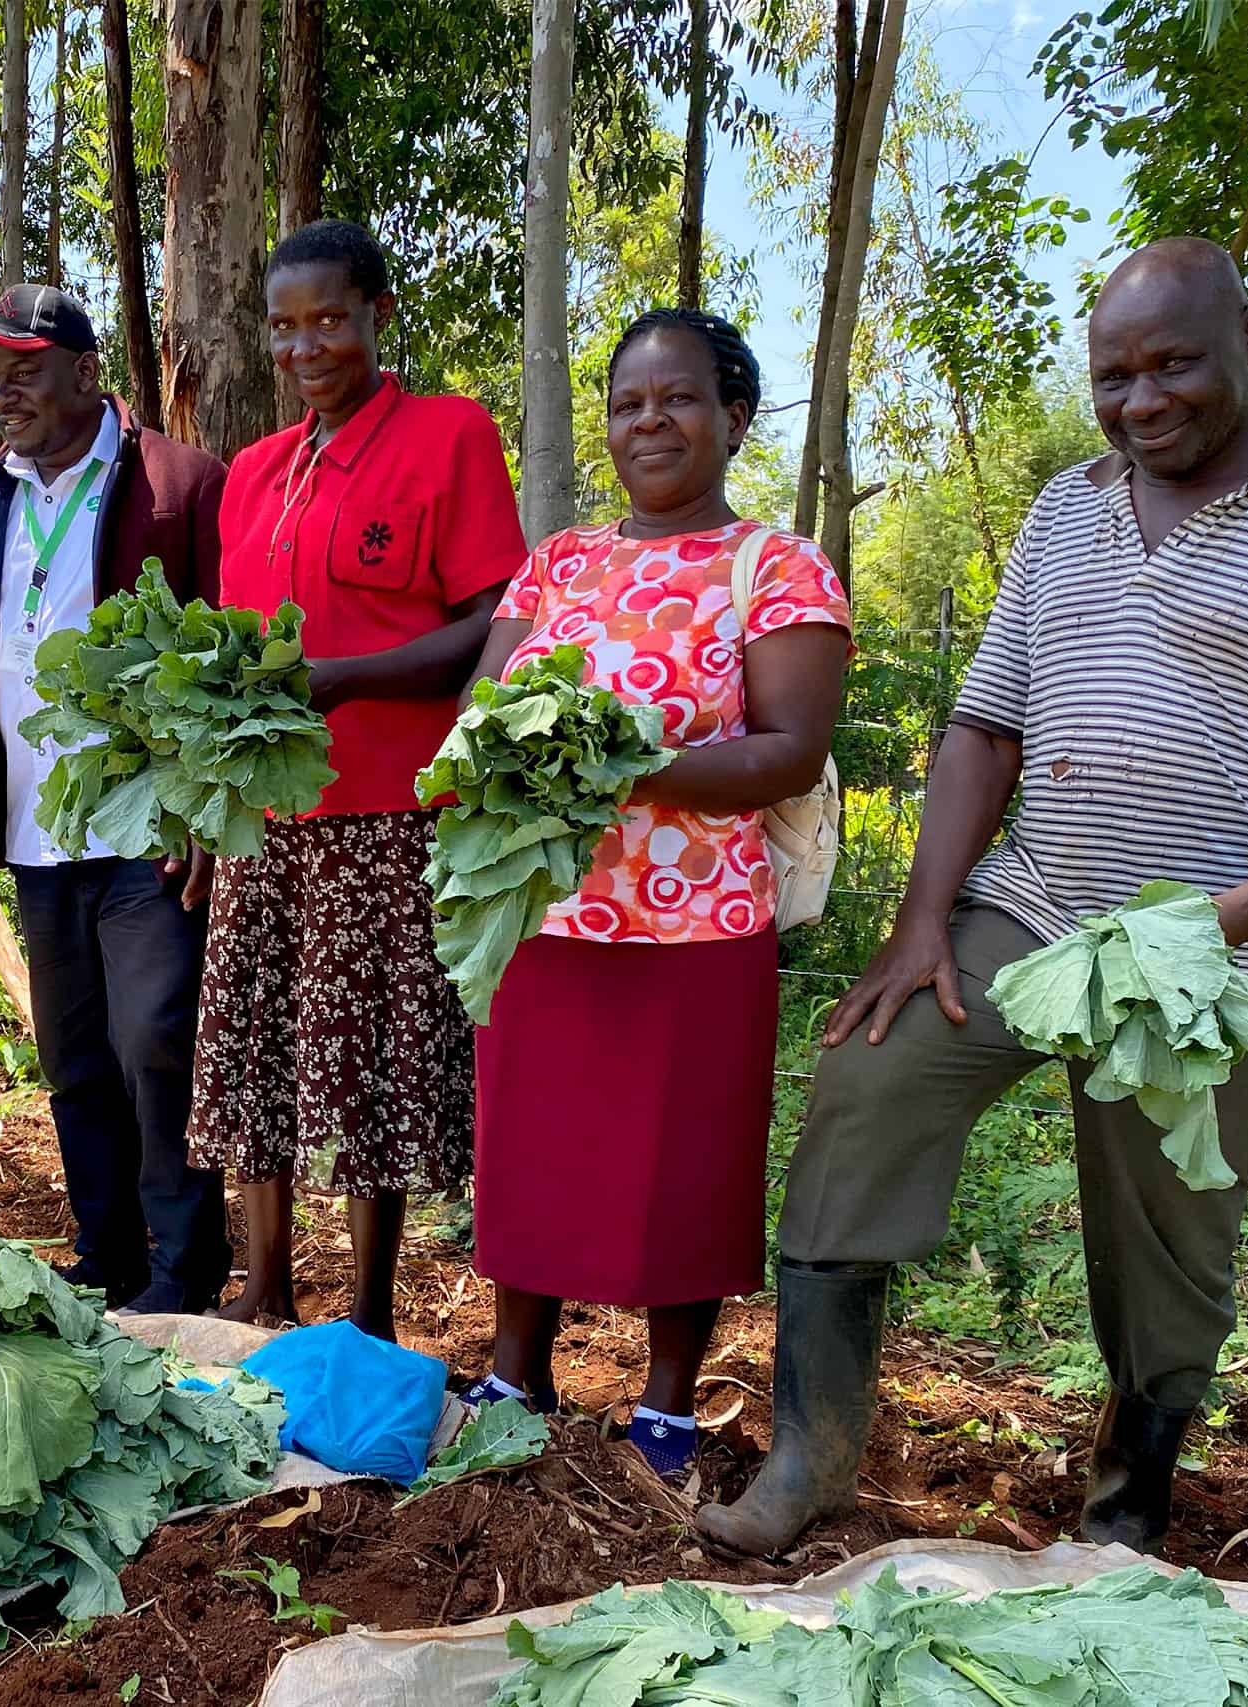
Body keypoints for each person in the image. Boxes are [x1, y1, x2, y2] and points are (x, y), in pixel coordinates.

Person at [702, 238, 1248, 1555]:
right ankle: (809, 1462)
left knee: (1166, 1235)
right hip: (1036, 908)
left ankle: (1127, 1501)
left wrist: (1221, 922)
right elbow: (986, 725)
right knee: (868, 1086)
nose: (1143, 399)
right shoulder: (1067, 504)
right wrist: (924, 917)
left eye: (1175, 364)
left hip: (1222, 947)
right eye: (1117, 373)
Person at [458, 310, 851, 1479]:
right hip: (549, 919)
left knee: (686, 1163)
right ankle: (514, 1365)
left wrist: (621, 765)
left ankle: (666, 1399)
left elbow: (785, 749)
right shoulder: (560, 562)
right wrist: (510, 757)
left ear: (734, 419)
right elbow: (486, 714)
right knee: (531, 1150)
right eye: (628, 404)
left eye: (678, 400)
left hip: (697, 929)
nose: (649, 422)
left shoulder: (776, 568)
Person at [0, 284, 232, 1314]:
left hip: (145, 826)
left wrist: (207, 800)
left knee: (154, 1041)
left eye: (22, 370)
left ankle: (184, 1268)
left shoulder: (177, 484)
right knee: (73, 1057)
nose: (1, 392)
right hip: (31, 833)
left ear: (84, 370)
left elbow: (227, 653)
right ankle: (106, 1254)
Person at [190, 220, 526, 1340]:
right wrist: (204, 798)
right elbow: (234, 663)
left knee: (370, 1060)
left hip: (387, 810)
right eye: (283, 327)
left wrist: (347, 682)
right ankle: (263, 1281)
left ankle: (372, 1312)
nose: (306, 347)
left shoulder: (448, 436)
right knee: (255, 1044)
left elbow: (492, 621)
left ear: (378, 315)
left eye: (329, 318)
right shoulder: (251, 473)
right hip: (263, 815)